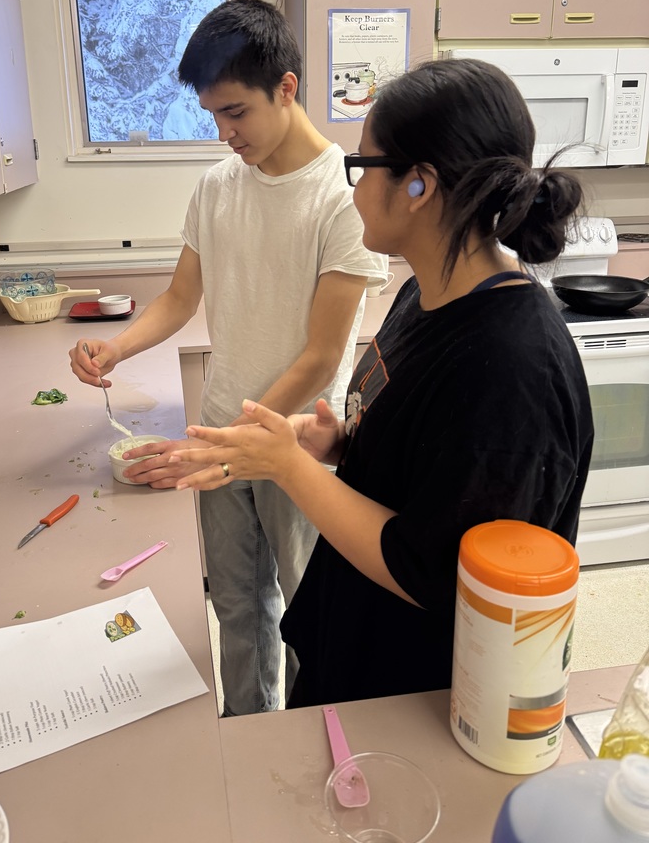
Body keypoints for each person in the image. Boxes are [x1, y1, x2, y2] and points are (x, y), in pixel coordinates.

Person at [169, 56, 595, 708]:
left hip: (412, 703)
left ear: (419, 185)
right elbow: (429, 463)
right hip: (355, 648)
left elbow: (430, 568)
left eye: (363, 167)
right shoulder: (423, 296)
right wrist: (344, 442)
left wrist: (288, 466)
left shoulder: (515, 369)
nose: (354, 189)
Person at [69, 0, 388, 715]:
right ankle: (248, 727)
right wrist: (114, 347)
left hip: (292, 443)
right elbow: (180, 299)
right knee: (238, 606)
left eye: (236, 112)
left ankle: (309, 734)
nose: (225, 133)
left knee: (305, 607)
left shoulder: (344, 198)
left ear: (286, 87)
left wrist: (229, 444)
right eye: (213, 115)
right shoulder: (217, 186)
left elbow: (320, 357)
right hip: (220, 431)